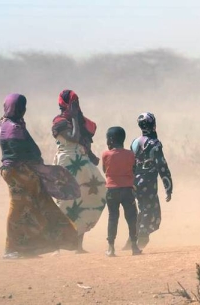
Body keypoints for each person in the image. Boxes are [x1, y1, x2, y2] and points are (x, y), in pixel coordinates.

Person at [0, 93, 80, 259]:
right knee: (21, 208)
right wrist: (37, 165)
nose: (23, 110)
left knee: (31, 206)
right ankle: (11, 249)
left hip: (17, 171)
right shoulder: (14, 128)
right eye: (21, 107)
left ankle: (28, 247)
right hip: (19, 172)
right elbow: (19, 152)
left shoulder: (5, 123)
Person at [52, 90, 106, 253]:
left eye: (76, 103)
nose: (75, 106)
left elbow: (82, 142)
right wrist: (75, 116)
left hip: (82, 162)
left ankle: (78, 246)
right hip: (66, 162)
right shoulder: (59, 122)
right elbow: (74, 138)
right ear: (64, 104)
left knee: (85, 199)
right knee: (64, 202)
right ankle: (56, 247)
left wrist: (91, 155)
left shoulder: (81, 121)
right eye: (73, 103)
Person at [123, 112, 172, 250]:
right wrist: (168, 187)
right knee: (148, 210)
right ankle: (141, 239)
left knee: (142, 208)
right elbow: (162, 165)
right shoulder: (155, 143)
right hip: (149, 181)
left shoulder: (134, 142)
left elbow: (130, 163)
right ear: (153, 124)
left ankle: (132, 239)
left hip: (135, 181)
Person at [102, 127, 141, 257]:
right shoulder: (130, 154)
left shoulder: (106, 154)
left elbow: (105, 170)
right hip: (127, 190)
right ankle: (134, 246)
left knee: (113, 217)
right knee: (131, 218)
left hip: (112, 190)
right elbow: (133, 169)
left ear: (111, 140)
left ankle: (111, 248)